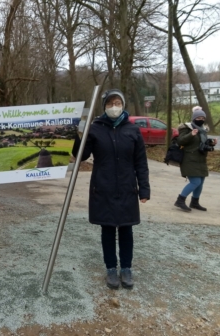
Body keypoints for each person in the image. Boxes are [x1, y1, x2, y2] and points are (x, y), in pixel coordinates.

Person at [72, 89, 150, 290]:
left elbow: (140, 162)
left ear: (123, 106)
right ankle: (111, 269)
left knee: (126, 229)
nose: (114, 107)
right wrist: (74, 135)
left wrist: (144, 190)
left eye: (118, 103)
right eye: (110, 103)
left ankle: (126, 268)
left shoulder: (132, 130)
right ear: (104, 106)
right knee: (107, 229)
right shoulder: (95, 128)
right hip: (103, 187)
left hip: (126, 188)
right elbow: (81, 155)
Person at [174, 108, 216, 212]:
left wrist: (211, 143)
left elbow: (201, 143)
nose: (200, 119)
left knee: (200, 182)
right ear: (194, 118)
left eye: (202, 118)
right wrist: (191, 134)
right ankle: (180, 200)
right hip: (189, 158)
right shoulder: (186, 128)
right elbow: (180, 141)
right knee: (195, 181)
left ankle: (194, 202)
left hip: (201, 159)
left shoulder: (203, 130)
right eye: (198, 117)